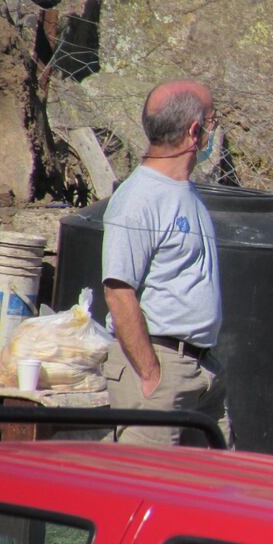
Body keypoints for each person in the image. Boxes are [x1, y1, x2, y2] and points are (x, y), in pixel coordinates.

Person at [102, 80, 231, 447]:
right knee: (143, 490)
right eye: (212, 119)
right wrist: (150, 374)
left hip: (202, 369)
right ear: (195, 131)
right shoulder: (139, 198)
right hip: (161, 369)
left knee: (210, 494)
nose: (213, 128)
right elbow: (118, 292)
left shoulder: (185, 191)